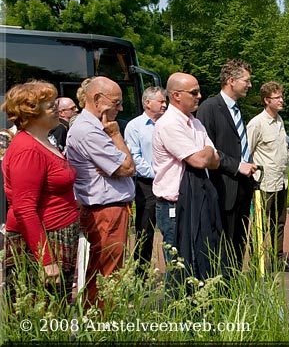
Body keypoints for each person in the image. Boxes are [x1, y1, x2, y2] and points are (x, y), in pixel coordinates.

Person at [1, 81, 79, 305]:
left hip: (57, 234)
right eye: (49, 105)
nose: (56, 108)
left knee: (58, 307)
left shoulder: (44, 140)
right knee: (43, 311)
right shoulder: (27, 149)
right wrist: (46, 260)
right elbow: (24, 208)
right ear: (30, 113)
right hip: (45, 239)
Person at [66, 76, 135, 309]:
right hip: (105, 211)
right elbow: (127, 167)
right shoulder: (90, 131)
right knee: (106, 273)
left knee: (110, 271)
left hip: (110, 209)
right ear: (97, 99)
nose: (120, 108)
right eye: (116, 103)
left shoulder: (95, 127)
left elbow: (123, 168)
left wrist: (116, 165)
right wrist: (116, 135)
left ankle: (103, 321)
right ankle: (101, 325)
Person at [153, 72, 221, 288]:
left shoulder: (195, 123)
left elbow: (215, 160)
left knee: (200, 259)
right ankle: (178, 318)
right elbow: (200, 160)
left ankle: (198, 312)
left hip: (196, 200)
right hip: (175, 206)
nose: (199, 96)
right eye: (194, 92)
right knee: (179, 266)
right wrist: (207, 150)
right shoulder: (169, 124)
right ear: (176, 95)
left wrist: (207, 152)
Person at [196, 59, 257, 270]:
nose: (250, 85)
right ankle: (224, 290)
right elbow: (208, 148)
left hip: (243, 186)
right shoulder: (210, 108)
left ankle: (236, 284)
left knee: (239, 241)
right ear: (231, 81)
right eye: (246, 80)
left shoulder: (238, 109)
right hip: (223, 187)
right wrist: (237, 165)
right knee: (223, 244)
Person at [246, 81, 289, 273]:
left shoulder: (279, 121)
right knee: (260, 226)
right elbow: (247, 152)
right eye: (277, 97)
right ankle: (256, 264)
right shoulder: (257, 123)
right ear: (267, 100)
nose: (282, 100)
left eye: (281, 96)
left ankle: (278, 259)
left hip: (281, 181)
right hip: (264, 184)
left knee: (279, 223)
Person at [124, 87, 167, 274]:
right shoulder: (135, 126)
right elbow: (135, 157)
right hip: (147, 184)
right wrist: (157, 174)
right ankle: (140, 276)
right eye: (161, 101)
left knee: (171, 227)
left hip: (170, 183)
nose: (165, 104)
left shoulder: (169, 123)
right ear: (147, 103)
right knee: (145, 231)